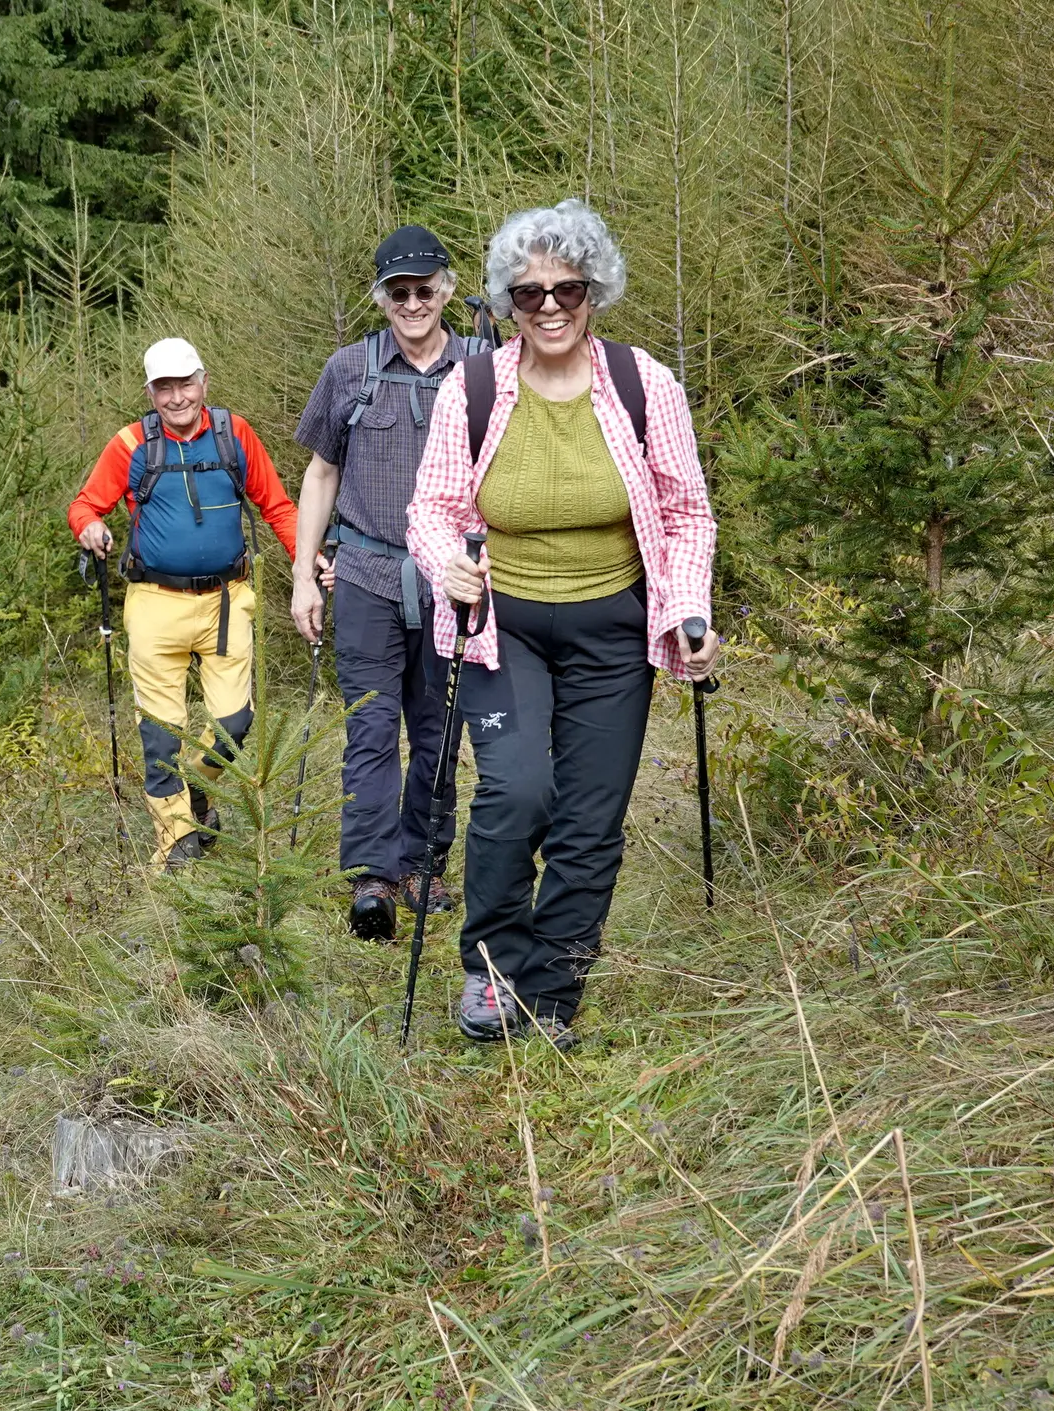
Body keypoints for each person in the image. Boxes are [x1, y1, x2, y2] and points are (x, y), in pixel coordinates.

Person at [405, 198, 720, 1050]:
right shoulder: (472, 389)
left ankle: (551, 996)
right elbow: (431, 507)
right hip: (498, 624)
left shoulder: (642, 384)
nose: (549, 307)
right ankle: (492, 967)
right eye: (529, 291)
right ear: (506, 300)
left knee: (589, 818)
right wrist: (448, 563)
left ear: (595, 292)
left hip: (613, 628)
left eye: (567, 289)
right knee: (515, 789)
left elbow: (687, 512)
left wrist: (690, 605)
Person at [290, 225, 492, 941]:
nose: (413, 304)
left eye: (425, 290)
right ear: (382, 298)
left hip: (454, 580)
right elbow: (320, 472)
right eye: (399, 292)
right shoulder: (350, 369)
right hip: (368, 573)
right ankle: (373, 875)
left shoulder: (483, 365)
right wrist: (302, 575)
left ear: (444, 289)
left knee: (440, 729)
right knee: (371, 727)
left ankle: (423, 862)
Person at [69, 338, 299, 871]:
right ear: (150, 393)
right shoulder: (130, 444)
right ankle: (176, 846)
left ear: (204, 381)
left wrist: (307, 562)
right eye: (164, 388)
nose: (176, 398)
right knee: (159, 732)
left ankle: (195, 793)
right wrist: (91, 525)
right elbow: (84, 504)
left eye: (185, 384)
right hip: (153, 602)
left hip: (228, 600)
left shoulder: (233, 434)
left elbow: (278, 506)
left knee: (234, 722)